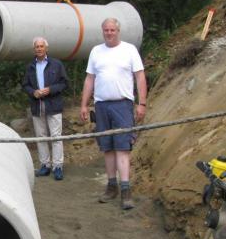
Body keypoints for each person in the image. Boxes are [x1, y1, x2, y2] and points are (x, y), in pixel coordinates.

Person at [80, 18, 148, 210]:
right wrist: (84, 104)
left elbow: (140, 76)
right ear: (103, 31)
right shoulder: (96, 51)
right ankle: (111, 187)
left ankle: (126, 191)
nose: (109, 33)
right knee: (107, 148)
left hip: (122, 105)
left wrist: (141, 103)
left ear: (118, 31)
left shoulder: (129, 50)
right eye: (106, 30)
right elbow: (89, 79)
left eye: (112, 30)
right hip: (101, 106)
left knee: (122, 147)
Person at [22, 36, 68, 181]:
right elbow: (25, 85)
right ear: (34, 49)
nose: (39, 49)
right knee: (41, 137)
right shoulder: (30, 66)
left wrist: (50, 89)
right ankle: (45, 165)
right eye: (37, 47)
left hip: (53, 104)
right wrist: (33, 92)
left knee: (56, 136)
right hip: (37, 105)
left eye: (42, 46)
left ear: (46, 48)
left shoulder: (56, 64)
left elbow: (64, 83)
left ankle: (58, 166)